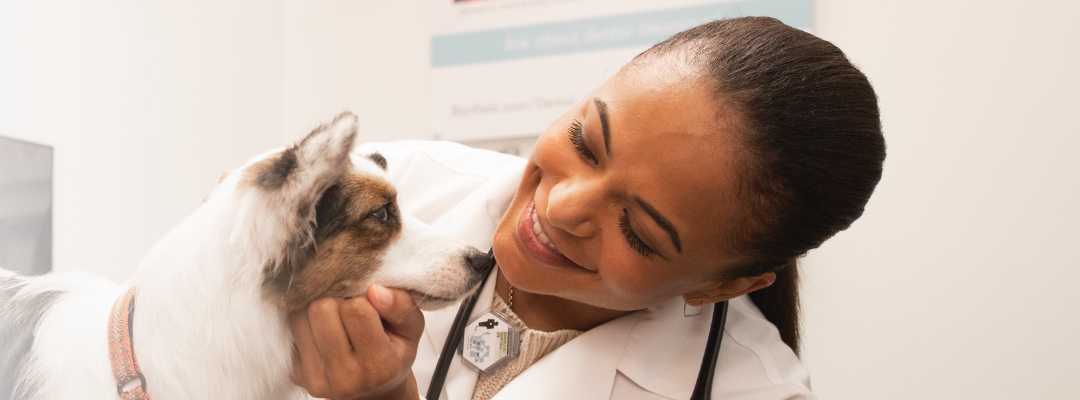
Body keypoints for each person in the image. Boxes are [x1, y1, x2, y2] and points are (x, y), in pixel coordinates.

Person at [288, 17, 882, 400]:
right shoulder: (388, 183)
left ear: (724, 285)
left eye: (639, 230)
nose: (563, 206)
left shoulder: (750, 391)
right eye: (585, 143)